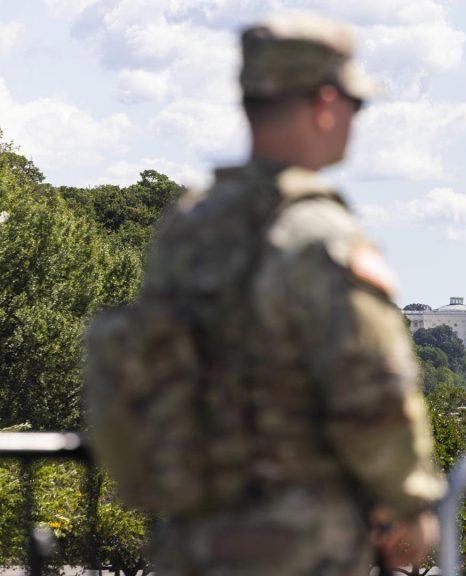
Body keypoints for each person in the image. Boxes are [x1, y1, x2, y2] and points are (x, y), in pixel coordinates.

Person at [141, 14, 445, 575]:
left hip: (191, 537)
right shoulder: (320, 236)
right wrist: (409, 504)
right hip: (301, 542)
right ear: (326, 103)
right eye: (357, 105)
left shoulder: (187, 227)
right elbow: (374, 390)